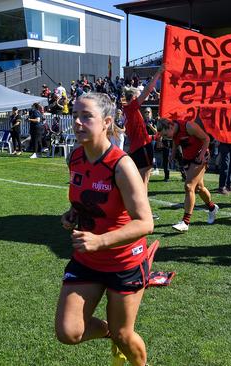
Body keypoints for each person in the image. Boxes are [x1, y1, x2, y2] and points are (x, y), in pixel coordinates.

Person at [56, 93, 154, 366]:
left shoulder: (122, 165)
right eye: (75, 115)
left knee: (125, 335)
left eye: (86, 116)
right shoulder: (75, 157)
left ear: (106, 122)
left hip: (124, 262)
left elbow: (145, 222)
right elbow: (85, 199)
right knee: (68, 332)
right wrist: (72, 214)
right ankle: (114, 333)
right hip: (87, 259)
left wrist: (100, 241)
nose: (77, 122)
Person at [158, 118, 219, 232]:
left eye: (166, 134)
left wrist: (201, 155)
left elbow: (206, 138)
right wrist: (173, 153)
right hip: (188, 158)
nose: (167, 138)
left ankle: (185, 222)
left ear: (170, 127)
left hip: (200, 156)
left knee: (189, 186)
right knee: (199, 188)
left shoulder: (189, 126)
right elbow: (176, 141)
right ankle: (212, 208)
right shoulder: (174, 131)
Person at [123, 66, 163, 186]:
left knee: (141, 180)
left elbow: (139, 135)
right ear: (134, 97)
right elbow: (147, 90)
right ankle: (141, 205)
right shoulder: (131, 108)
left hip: (138, 147)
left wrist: (154, 137)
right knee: (143, 181)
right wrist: (158, 73)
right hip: (142, 148)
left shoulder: (127, 110)